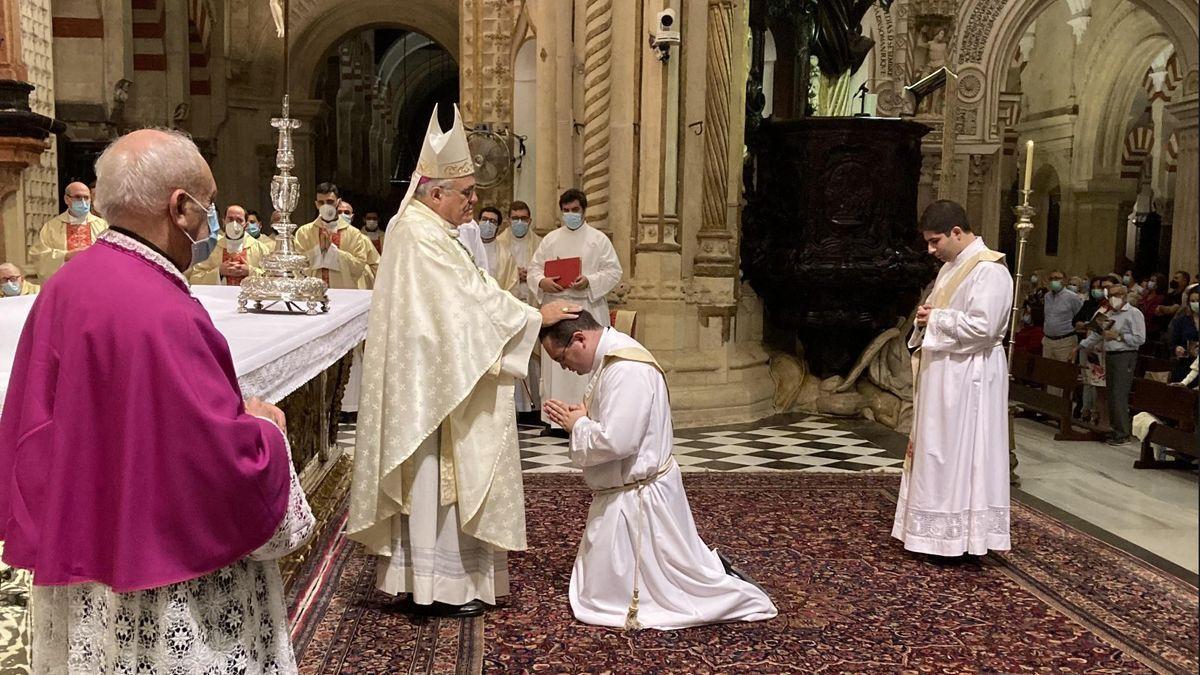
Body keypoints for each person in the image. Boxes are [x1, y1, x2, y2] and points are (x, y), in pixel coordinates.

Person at [0, 128, 313, 672]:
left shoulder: (65, 287)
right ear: (180, 208)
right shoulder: (163, 309)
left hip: (87, 552)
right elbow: (215, 459)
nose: (212, 222)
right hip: (170, 579)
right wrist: (265, 429)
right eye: (209, 206)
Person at [349, 104, 580, 619]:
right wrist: (533, 318)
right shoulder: (418, 233)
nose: (474, 202)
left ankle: (438, 581)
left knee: (441, 479)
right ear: (436, 193)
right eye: (466, 193)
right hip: (431, 390)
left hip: (440, 377)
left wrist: (522, 317)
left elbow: (470, 296)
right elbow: (465, 303)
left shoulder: (431, 231)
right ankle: (441, 586)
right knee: (437, 477)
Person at [540, 311, 778, 629]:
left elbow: (618, 441)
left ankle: (727, 593)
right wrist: (586, 413)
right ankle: (709, 574)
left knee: (623, 597)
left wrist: (579, 425)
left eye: (561, 357)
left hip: (640, 497)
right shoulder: (612, 358)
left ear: (580, 339)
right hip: (629, 491)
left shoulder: (626, 369)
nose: (563, 367)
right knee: (599, 586)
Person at [892, 200, 1012, 560]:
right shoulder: (951, 267)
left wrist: (937, 319)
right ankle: (930, 534)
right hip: (943, 374)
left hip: (969, 378)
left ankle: (959, 538)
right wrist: (926, 318)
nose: (931, 250)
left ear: (957, 233)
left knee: (961, 452)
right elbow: (935, 315)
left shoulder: (989, 271)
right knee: (935, 451)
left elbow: (985, 327)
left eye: (935, 241)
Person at [528, 189, 623, 430]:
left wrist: (589, 281)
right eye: (566, 211)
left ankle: (586, 416)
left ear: (584, 211)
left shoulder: (598, 239)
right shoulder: (550, 240)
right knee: (557, 368)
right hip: (555, 304)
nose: (570, 215)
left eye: (575, 211)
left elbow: (614, 271)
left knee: (585, 361)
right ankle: (555, 420)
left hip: (586, 305)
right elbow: (534, 269)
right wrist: (543, 282)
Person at [1076, 284, 1145, 445]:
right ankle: (1115, 430)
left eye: (1117, 294)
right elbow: (1096, 335)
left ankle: (1123, 433)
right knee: (1112, 394)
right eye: (1111, 295)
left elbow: (1140, 339)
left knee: (1119, 394)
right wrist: (1081, 346)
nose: (1114, 298)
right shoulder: (1107, 313)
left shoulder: (1134, 313)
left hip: (1125, 355)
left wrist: (1119, 336)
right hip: (1110, 354)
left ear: (1125, 295)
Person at [499, 200, 544, 421]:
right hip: (510, 305)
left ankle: (534, 406)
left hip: (532, 303)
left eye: (523, 219)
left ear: (530, 220)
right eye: (515, 218)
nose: (519, 222)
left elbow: (546, 269)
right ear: (508, 219)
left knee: (533, 358)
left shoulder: (540, 244)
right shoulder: (498, 243)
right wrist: (516, 275)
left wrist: (533, 276)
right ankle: (513, 407)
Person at [294, 182, 380, 289]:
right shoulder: (304, 232)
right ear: (316, 204)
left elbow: (358, 268)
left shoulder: (353, 234)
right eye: (321, 202)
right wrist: (318, 250)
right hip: (312, 293)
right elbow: (297, 267)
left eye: (330, 202)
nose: (326, 206)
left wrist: (333, 251)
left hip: (344, 293)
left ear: (338, 202)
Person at [29, 182, 109, 280]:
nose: (83, 201)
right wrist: (66, 256)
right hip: (66, 282)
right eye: (78, 197)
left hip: (96, 281)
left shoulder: (103, 226)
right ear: (67, 199)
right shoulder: (51, 227)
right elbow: (39, 255)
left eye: (86, 197)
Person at [187, 204, 270, 286]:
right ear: (224, 222)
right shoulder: (211, 248)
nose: (234, 224)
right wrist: (219, 272)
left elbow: (272, 280)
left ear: (246, 225)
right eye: (230, 219)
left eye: (239, 220)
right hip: (219, 298)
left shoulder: (260, 248)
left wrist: (250, 271)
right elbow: (194, 278)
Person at [1042, 270, 1083, 368]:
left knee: (1063, 372)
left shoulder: (1072, 297)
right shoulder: (1047, 296)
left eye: (1057, 278)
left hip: (1065, 340)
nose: (1053, 281)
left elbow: (1079, 316)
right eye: (1051, 279)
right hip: (1048, 340)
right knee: (1047, 372)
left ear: (1064, 280)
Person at [479, 205, 518, 291]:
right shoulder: (468, 247)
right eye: (484, 219)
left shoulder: (506, 255)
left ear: (498, 227)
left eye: (492, 221)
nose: (487, 224)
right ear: (478, 221)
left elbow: (512, 284)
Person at [1167, 284, 1199, 382]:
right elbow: (1172, 343)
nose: (1196, 303)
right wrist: (1177, 348)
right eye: (1193, 301)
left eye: (1198, 300)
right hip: (1185, 365)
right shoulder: (1182, 321)